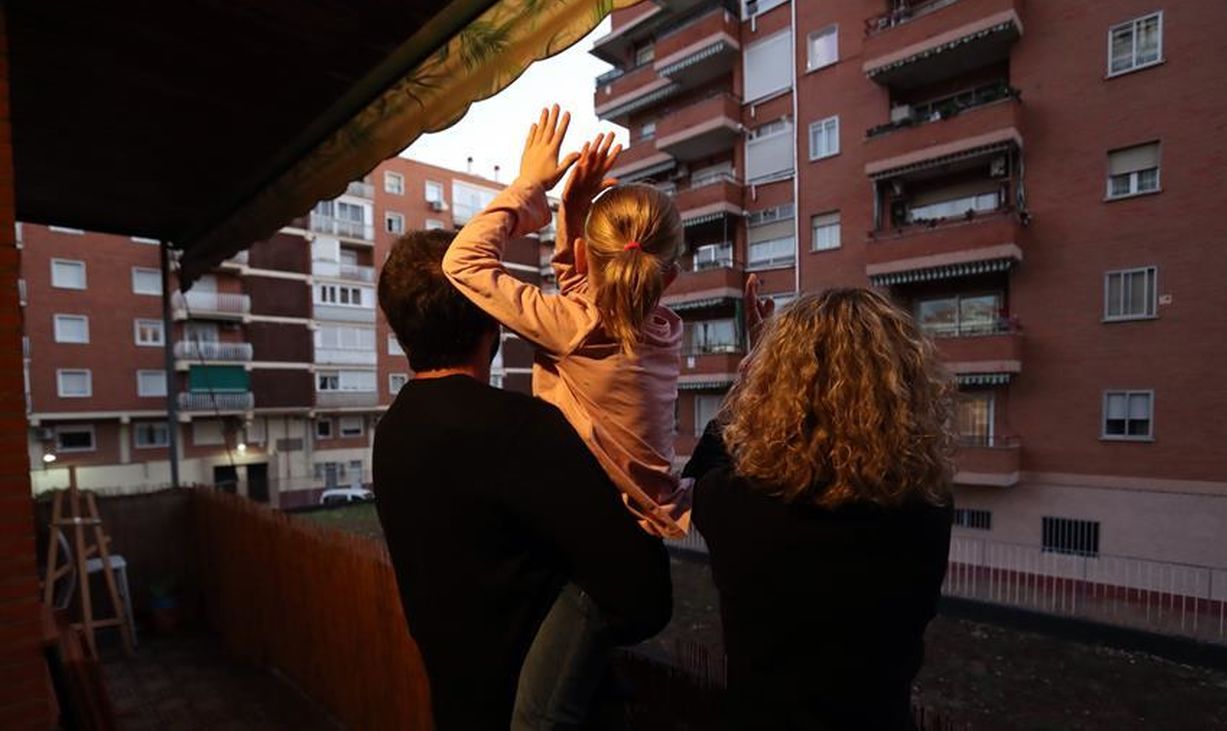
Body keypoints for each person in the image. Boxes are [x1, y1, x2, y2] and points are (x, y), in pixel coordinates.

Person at [442, 106, 688, 729]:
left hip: (603, 565)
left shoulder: (575, 328)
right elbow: (589, 296)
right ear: (669, 277)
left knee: (537, 720)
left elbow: (462, 264)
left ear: (584, 253)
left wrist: (531, 188)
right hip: (631, 547)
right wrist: (572, 212)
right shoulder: (665, 329)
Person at [371, 227, 672, 730]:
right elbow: (644, 597)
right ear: (492, 316)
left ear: (400, 329)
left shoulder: (392, 432)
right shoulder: (521, 430)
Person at [683, 284, 955, 730]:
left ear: (777, 388)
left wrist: (747, 383)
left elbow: (702, 469)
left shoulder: (741, 505)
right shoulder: (927, 507)